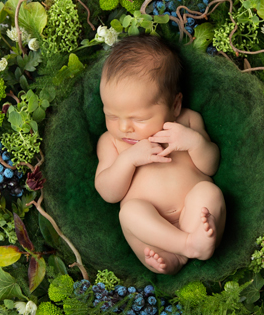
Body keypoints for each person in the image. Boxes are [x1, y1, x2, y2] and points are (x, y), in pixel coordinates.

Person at [94, 34, 226, 275]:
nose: (124, 127)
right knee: (130, 213)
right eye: (111, 116)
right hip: (151, 232)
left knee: (210, 192)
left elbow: (211, 166)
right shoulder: (112, 142)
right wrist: (129, 159)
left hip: (194, 216)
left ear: (174, 106)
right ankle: (182, 249)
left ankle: (192, 244)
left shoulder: (186, 120)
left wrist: (194, 143)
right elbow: (108, 192)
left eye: (140, 119)